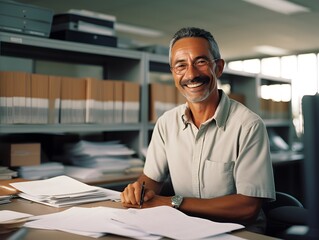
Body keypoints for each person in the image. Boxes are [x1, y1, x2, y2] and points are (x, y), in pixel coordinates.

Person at [121, 27, 276, 232]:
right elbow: (151, 179)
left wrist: (172, 202)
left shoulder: (248, 126)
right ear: (173, 74)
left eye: (201, 62)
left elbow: (247, 207)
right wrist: (140, 192)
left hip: (237, 233)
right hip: (185, 229)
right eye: (181, 65)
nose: (191, 74)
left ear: (218, 67)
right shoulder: (166, 123)